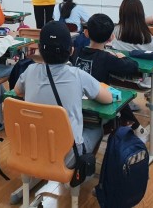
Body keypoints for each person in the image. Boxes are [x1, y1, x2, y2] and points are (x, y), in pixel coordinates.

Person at [15, 21, 112, 165]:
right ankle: (81, 170)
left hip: (32, 148)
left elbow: (17, 91)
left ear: (39, 49)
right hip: (67, 156)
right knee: (97, 128)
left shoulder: (30, 71)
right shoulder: (78, 75)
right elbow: (108, 98)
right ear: (71, 51)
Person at [74, 13, 149, 142]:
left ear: (86, 33)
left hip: (76, 102)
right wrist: (122, 57)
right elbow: (132, 67)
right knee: (120, 96)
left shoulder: (76, 52)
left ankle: (137, 128)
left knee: (114, 92)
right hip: (97, 105)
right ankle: (137, 129)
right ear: (111, 37)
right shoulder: (107, 58)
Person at [110, 0, 153, 123]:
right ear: (140, 14)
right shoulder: (145, 35)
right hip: (142, 81)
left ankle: (128, 102)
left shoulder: (115, 31)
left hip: (118, 78)